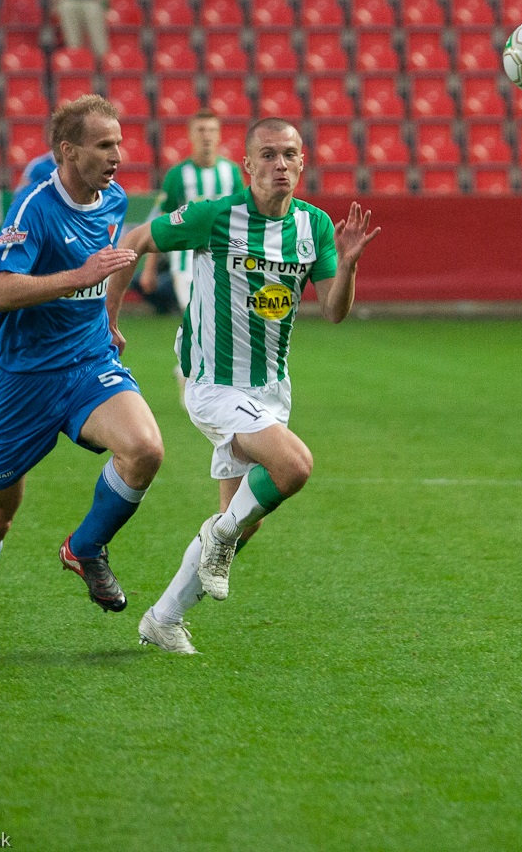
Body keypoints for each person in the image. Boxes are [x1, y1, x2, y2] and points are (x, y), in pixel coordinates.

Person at [106, 117, 380, 655]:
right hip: (211, 383)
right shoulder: (214, 217)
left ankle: (163, 619)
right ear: (248, 164)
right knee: (294, 466)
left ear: (303, 163)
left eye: (290, 155)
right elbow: (136, 239)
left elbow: (334, 311)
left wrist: (346, 267)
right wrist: (109, 319)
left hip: (270, 388)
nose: (280, 165)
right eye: (269, 155)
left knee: (241, 521)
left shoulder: (316, 227)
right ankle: (219, 537)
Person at [0, 95, 164, 670]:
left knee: (145, 449)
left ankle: (85, 547)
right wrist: (77, 277)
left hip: (86, 364)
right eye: (104, 145)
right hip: (20, 383)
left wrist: (110, 320)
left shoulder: (114, 198)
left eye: (119, 143)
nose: (118, 155)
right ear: (67, 151)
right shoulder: (36, 208)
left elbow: (113, 263)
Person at [137, 110, 244, 398]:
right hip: (185, 262)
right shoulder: (177, 177)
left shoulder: (231, 173)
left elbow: (241, 217)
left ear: (219, 135)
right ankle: (198, 373)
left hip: (224, 258)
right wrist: (149, 269)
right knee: (197, 314)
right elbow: (158, 224)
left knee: (218, 319)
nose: (206, 136)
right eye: (201, 130)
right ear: (191, 136)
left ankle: (190, 367)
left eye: (211, 130)